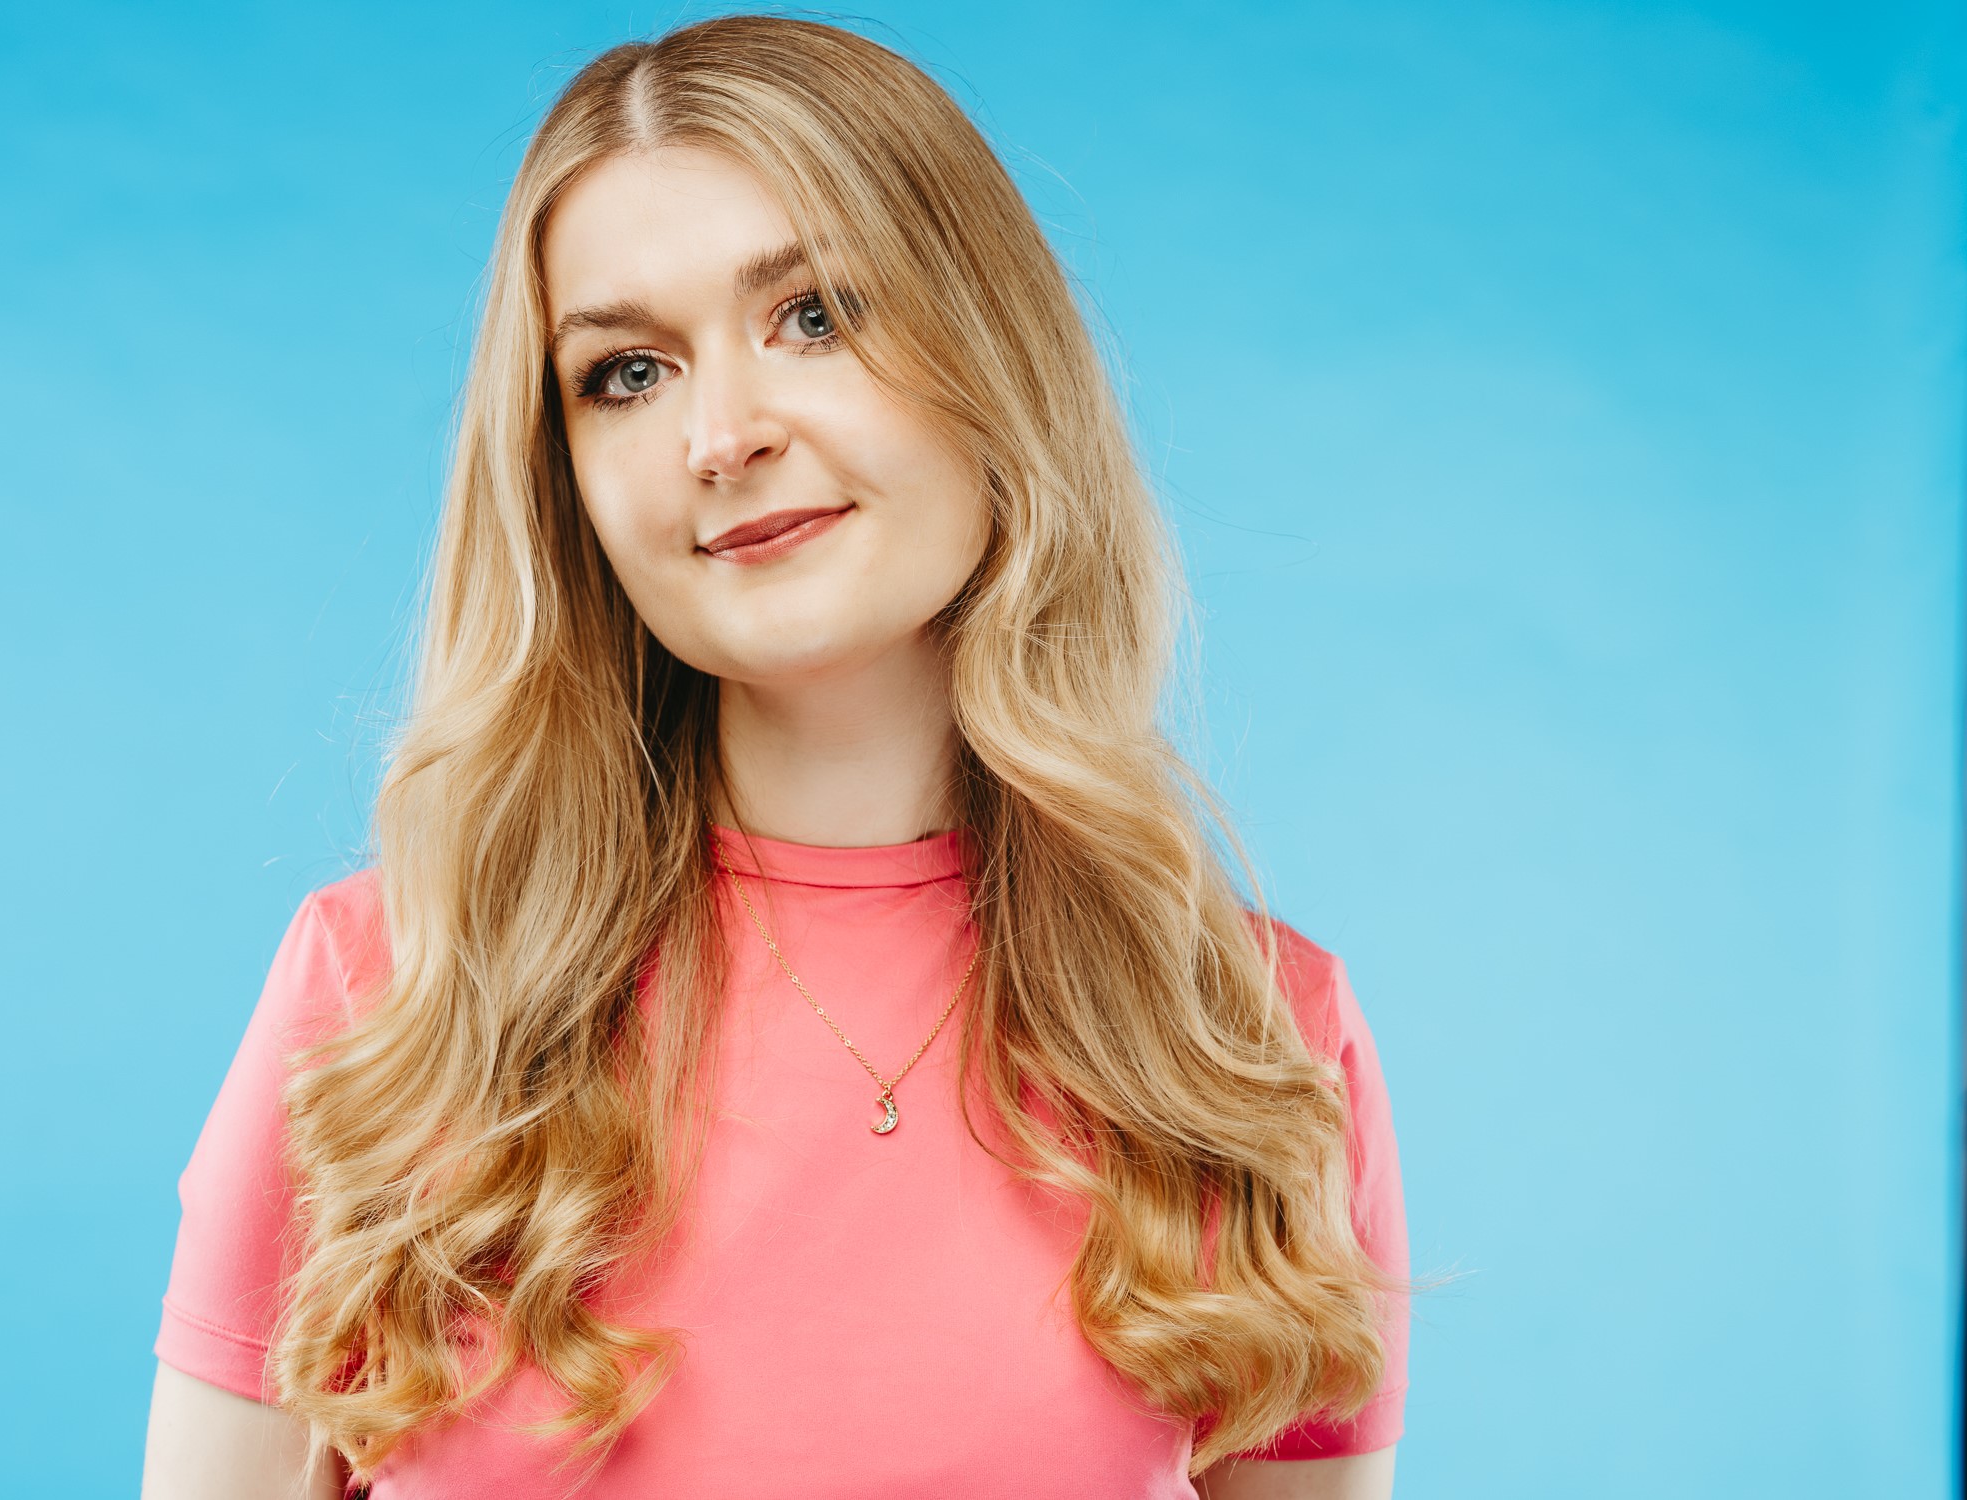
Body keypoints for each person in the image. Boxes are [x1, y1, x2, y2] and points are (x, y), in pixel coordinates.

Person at [140, 15, 1412, 1500]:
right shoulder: (385, 1002)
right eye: (626, 372)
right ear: (564, 479)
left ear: (991, 352)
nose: (721, 436)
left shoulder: (1249, 1046)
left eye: (811, 315)